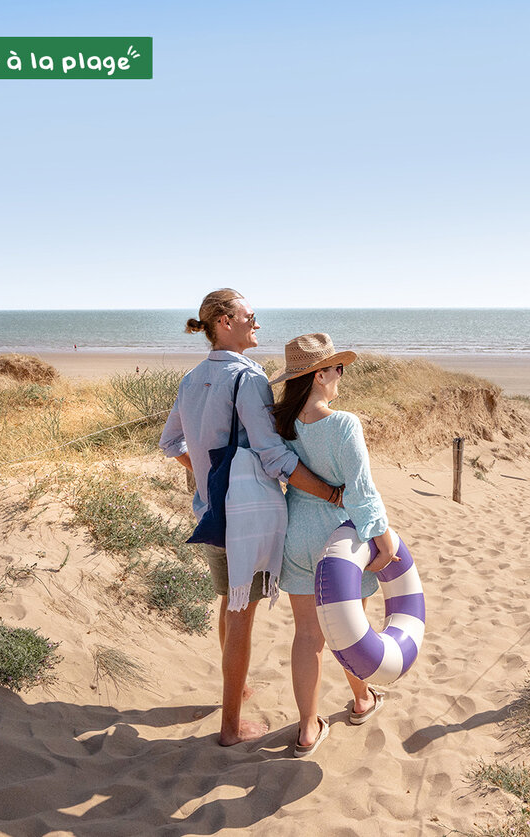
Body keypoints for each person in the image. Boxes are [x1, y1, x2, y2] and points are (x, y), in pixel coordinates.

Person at [159, 290, 343, 746]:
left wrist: (209, 475)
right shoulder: (249, 377)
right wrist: (326, 492)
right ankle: (230, 726)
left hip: (211, 511)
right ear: (224, 322)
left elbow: (171, 444)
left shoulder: (191, 378)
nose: (256, 324)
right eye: (250, 317)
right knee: (241, 612)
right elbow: (271, 452)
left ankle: (236, 689)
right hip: (248, 516)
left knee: (230, 600)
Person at [269, 333, 400, 757]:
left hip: (296, 530)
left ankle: (308, 729)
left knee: (307, 634)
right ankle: (362, 701)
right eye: (336, 368)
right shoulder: (344, 423)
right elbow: (361, 491)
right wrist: (383, 537)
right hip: (339, 537)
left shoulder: (280, 426)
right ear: (319, 374)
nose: (341, 375)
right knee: (349, 631)